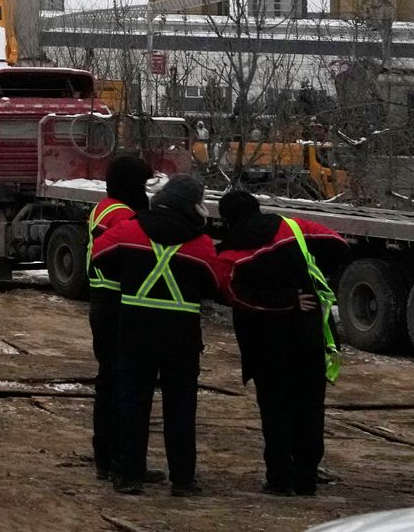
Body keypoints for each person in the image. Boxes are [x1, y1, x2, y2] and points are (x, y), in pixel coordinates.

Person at [93, 175, 227, 497]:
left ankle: (128, 475)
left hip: (134, 332)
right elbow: (217, 286)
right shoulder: (201, 244)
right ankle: (182, 480)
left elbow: (98, 258)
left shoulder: (129, 231)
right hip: (181, 338)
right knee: (180, 409)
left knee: (132, 405)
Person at [216, 191, 349, 497]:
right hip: (308, 337)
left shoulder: (230, 251)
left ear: (226, 218)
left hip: (264, 343)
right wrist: (309, 279)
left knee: (275, 410)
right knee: (310, 409)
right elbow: (338, 244)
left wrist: (283, 302)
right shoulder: (292, 227)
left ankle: (279, 478)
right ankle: (307, 479)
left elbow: (233, 294)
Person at [86, 156, 155, 482]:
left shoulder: (105, 207)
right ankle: (117, 459)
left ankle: (106, 457)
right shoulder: (123, 215)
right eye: (142, 185)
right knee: (120, 384)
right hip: (116, 304)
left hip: (102, 302)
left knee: (108, 381)